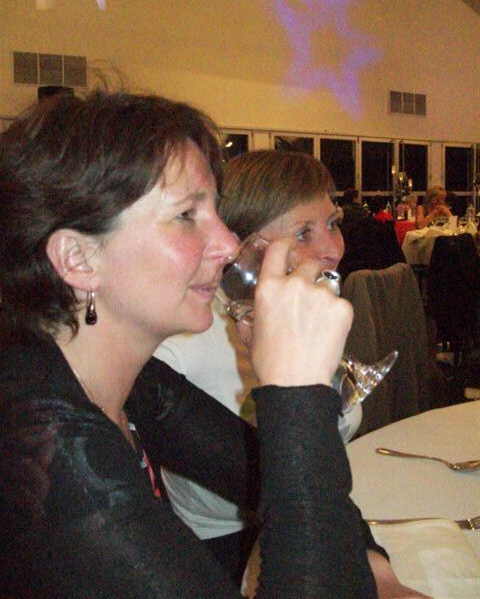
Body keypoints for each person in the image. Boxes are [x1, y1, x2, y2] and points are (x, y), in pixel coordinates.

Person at [0, 90, 377, 598]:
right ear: (78, 259)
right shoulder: (54, 457)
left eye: (215, 211)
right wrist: (297, 392)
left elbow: (273, 473)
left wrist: (376, 562)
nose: (228, 243)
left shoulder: (126, 380)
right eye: (185, 216)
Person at [157, 151, 427, 599]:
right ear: (240, 249)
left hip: (318, 515)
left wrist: (375, 566)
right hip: (225, 557)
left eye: (332, 223)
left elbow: (314, 467)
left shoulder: (298, 312)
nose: (333, 249)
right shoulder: (180, 350)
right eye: (303, 233)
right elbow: (283, 468)